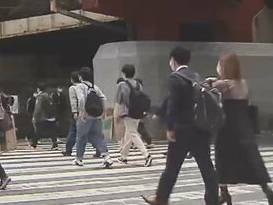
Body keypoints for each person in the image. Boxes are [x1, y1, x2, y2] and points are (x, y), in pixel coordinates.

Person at [143, 47, 219, 205]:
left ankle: (161, 198)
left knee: (172, 167)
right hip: (199, 128)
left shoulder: (175, 77)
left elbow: (173, 103)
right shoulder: (195, 76)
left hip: (182, 129)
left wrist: (169, 127)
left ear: (173, 60)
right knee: (206, 165)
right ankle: (213, 198)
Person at [206, 53, 273, 205]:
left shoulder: (223, 84)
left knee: (222, 158)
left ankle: (224, 193)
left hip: (227, 127)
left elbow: (210, 89)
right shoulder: (242, 82)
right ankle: (267, 190)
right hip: (243, 126)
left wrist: (210, 81)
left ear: (224, 67)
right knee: (251, 158)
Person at [73, 67, 113, 168]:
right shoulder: (95, 87)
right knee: (97, 136)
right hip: (96, 115)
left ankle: (79, 158)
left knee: (81, 136)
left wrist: (82, 112)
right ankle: (106, 156)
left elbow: (81, 99)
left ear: (80, 76)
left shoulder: (79, 87)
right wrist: (103, 111)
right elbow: (103, 98)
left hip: (86, 115)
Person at [115, 64, 153, 166]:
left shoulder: (122, 85)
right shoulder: (138, 84)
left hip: (128, 112)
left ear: (123, 73)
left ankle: (147, 155)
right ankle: (123, 156)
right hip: (138, 112)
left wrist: (117, 114)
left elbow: (119, 100)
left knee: (133, 134)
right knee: (130, 134)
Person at [31, 83, 58, 150]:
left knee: (38, 130)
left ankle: (33, 144)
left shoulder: (40, 96)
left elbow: (38, 107)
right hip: (51, 116)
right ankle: (55, 143)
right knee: (52, 130)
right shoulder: (48, 95)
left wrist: (34, 116)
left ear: (38, 89)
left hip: (43, 116)